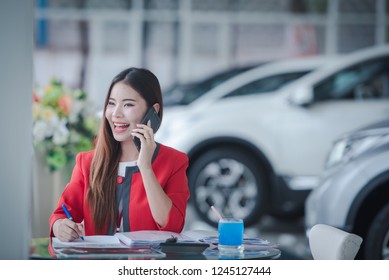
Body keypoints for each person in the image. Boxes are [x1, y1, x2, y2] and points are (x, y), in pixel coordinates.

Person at [49, 67, 190, 242]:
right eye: (111, 103)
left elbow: (172, 226)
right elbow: (61, 215)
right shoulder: (86, 163)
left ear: (153, 110)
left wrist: (145, 167)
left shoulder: (175, 162)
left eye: (128, 104)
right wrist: (60, 226)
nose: (116, 114)